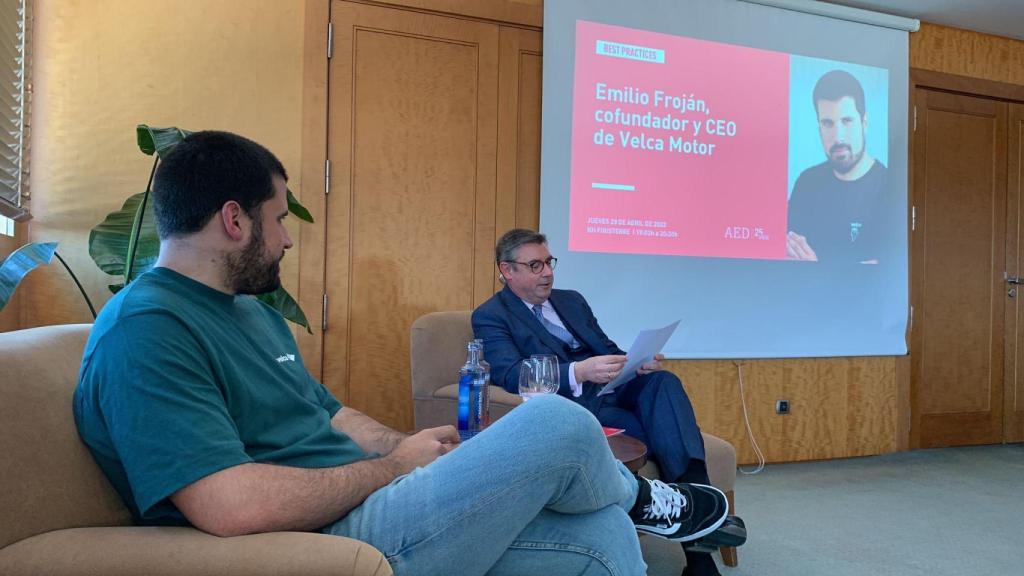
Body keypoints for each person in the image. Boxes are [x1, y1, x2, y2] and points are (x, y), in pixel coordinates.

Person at [73, 131, 735, 576]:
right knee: (559, 422)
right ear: (234, 221)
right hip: (321, 537)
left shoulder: (249, 313)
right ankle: (643, 498)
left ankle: (629, 509)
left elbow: (328, 415)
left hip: (371, 499)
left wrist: (411, 446)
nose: (286, 240)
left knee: (601, 540)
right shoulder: (148, 330)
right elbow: (230, 507)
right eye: (278, 219)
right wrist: (393, 469)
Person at [472, 228, 746, 576]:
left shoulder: (571, 300)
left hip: (614, 385)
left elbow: (606, 348)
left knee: (662, 381)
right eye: (536, 265)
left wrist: (634, 361)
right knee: (661, 429)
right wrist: (579, 371)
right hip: (576, 402)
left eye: (549, 262)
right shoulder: (491, 315)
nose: (548, 273)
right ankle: (701, 548)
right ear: (507, 270)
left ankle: (697, 511)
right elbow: (510, 374)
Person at [787, 68, 891, 264]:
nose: (838, 136)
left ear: (864, 123)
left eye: (847, 121)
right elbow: (791, 260)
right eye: (828, 123)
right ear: (819, 129)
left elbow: (877, 274)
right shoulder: (807, 183)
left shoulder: (890, 188)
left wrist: (817, 268)